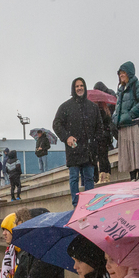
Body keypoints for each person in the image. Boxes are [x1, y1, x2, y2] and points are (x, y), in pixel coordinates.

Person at [53, 77, 105, 207]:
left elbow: (100, 127)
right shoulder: (65, 107)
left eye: (81, 85)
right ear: (73, 89)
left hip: (88, 150)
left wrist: (95, 141)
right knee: (74, 178)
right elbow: (56, 124)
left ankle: (90, 204)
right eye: (77, 86)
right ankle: (76, 205)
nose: (79, 88)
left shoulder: (92, 107)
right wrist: (67, 137)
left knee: (89, 178)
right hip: (74, 150)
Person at [114, 62, 139, 181]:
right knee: (128, 153)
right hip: (124, 125)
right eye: (120, 73)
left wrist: (131, 114)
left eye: (123, 73)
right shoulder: (120, 90)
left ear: (129, 73)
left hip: (136, 124)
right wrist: (115, 118)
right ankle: (132, 177)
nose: (121, 75)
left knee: (138, 151)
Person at [93, 82, 117, 183]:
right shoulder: (106, 109)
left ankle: (103, 176)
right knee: (104, 157)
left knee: (102, 157)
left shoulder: (100, 110)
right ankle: (106, 175)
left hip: (101, 136)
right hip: (106, 136)